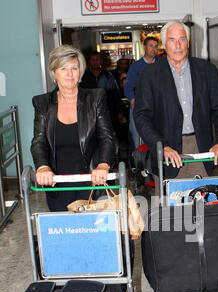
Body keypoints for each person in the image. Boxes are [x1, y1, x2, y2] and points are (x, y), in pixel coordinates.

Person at [133, 21, 218, 187]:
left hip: (200, 147)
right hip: (167, 148)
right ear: (164, 44)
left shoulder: (207, 70)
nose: (178, 45)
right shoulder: (150, 74)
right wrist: (161, 146)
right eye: (172, 40)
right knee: (171, 210)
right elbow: (141, 116)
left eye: (182, 39)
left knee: (203, 205)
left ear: (188, 42)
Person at [31, 45, 116, 211]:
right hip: (59, 186)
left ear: (80, 71)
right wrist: (43, 167)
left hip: (93, 182)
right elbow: (39, 141)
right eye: (63, 68)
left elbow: (107, 137)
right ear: (54, 73)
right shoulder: (42, 103)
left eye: (74, 68)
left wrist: (103, 165)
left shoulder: (95, 98)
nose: (70, 74)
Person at [80, 51, 126, 145]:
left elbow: (116, 94)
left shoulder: (108, 75)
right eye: (93, 60)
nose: (95, 62)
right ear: (89, 61)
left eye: (97, 60)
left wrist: (119, 112)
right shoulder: (83, 76)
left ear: (101, 61)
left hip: (108, 111)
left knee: (109, 135)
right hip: (89, 112)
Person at [124, 36, 159, 155]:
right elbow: (128, 87)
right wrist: (133, 100)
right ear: (144, 47)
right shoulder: (136, 66)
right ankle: (137, 165)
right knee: (136, 137)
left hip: (157, 107)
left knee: (156, 135)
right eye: (151, 46)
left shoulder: (161, 63)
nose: (153, 49)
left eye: (155, 46)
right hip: (140, 106)